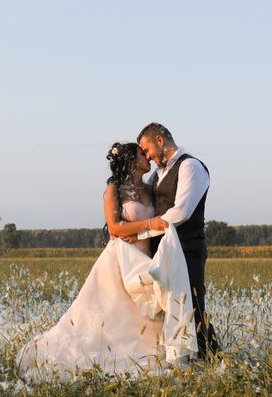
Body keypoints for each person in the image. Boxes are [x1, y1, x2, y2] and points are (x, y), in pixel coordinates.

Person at [15, 142, 197, 381]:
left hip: (146, 260)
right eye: (143, 154)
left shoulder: (150, 187)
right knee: (111, 316)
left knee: (148, 313)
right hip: (121, 259)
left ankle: (151, 354)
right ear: (132, 161)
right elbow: (114, 227)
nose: (148, 158)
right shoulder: (115, 189)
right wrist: (149, 225)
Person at [131, 122, 220, 359]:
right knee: (168, 311)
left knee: (193, 307)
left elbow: (181, 212)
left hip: (188, 248)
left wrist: (141, 232)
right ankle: (179, 360)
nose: (147, 156)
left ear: (160, 140)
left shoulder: (191, 166)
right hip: (162, 251)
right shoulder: (155, 176)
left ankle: (214, 361)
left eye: (147, 149)